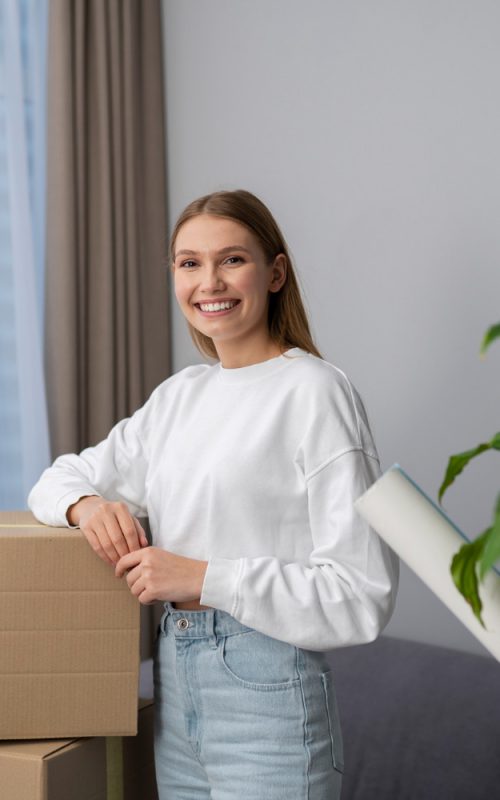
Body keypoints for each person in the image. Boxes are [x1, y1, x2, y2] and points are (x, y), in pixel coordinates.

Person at [28, 189, 399, 800]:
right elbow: (58, 477)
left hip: (269, 696)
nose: (209, 282)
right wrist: (86, 506)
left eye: (232, 260)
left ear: (275, 272)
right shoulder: (181, 397)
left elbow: (362, 595)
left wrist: (202, 577)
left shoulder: (315, 392)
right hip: (175, 682)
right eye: (189, 263)